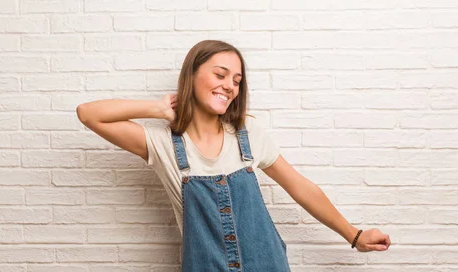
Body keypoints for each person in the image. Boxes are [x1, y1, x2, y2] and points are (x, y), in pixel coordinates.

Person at [76, 40, 391, 271]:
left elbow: (300, 187)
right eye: (220, 74)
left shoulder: (248, 135)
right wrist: (157, 108)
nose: (229, 86)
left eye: (236, 81)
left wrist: (355, 234)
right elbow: (89, 114)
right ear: (192, 75)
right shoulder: (163, 145)